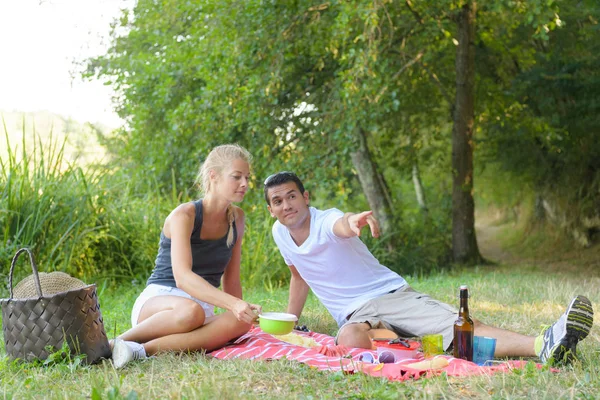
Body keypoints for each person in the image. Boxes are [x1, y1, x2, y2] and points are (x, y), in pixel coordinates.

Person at [263, 171, 594, 365]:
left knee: (458, 328)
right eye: (277, 201)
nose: (286, 205)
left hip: (387, 296)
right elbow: (298, 275)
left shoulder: (325, 220)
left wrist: (354, 221)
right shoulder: (280, 233)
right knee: (349, 339)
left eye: (291, 196)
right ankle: (414, 346)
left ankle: (545, 345)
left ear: (305, 197)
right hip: (355, 316)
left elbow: (342, 224)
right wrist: (290, 323)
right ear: (271, 209)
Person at [111, 144, 262, 368]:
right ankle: (115, 343)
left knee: (240, 323)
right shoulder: (185, 215)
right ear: (214, 176)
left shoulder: (237, 218)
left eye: (247, 178)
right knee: (191, 311)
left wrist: (241, 310)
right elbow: (182, 277)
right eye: (236, 177)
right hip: (162, 305)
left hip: (200, 312)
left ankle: (140, 351)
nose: (245, 184)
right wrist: (234, 303)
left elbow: (231, 279)